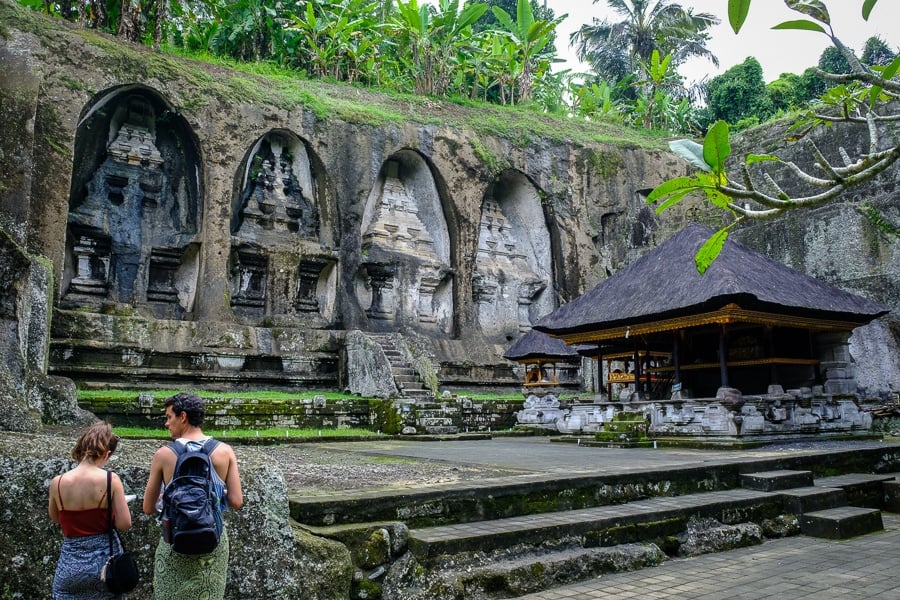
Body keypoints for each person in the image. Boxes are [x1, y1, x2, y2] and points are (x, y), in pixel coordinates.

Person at [142, 392, 243, 600]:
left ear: (183, 417)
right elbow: (236, 501)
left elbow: (148, 508)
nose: (166, 424)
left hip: (175, 540)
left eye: (169, 417)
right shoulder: (225, 452)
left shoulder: (164, 455)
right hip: (212, 540)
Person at [49, 421, 133, 599]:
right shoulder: (111, 479)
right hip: (105, 565)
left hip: (70, 565)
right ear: (106, 454)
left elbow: (55, 517)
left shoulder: (58, 482)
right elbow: (125, 524)